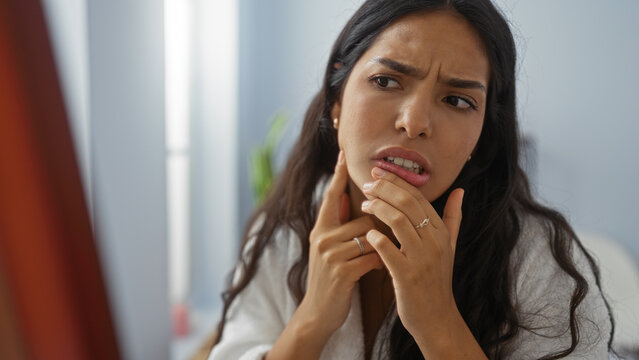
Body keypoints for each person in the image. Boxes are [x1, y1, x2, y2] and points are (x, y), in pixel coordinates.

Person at [209, 0, 616, 359]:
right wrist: (312, 319)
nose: (414, 122)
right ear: (337, 98)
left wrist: (438, 321)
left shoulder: (537, 259)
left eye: (457, 100)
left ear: (481, 135)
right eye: (386, 81)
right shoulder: (284, 231)